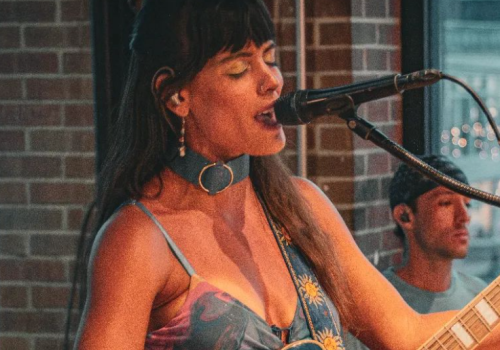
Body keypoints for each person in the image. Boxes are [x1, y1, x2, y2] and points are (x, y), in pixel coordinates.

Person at [73, 1, 500, 349]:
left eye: (271, 59)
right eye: (240, 69)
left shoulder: (301, 207)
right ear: (177, 95)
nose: (272, 82)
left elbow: (408, 336)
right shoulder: (137, 240)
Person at [345, 155, 488, 349]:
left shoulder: (480, 297)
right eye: (446, 203)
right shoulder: (374, 305)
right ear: (405, 216)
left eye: (467, 204)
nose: (464, 217)